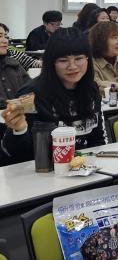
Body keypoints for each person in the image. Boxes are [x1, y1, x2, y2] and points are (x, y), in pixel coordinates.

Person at [1, 29, 107, 165]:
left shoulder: (91, 89)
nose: (72, 66)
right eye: (63, 60)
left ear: (88, 59)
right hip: (39, 172)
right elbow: (20, 155)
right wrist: (20, 129)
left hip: (82, 170)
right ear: (51, 62)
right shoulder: (31, 94)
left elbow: (98, 139)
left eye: (79, 58)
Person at [0, 24, 31, 163]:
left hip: (20, 127)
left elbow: (31, 94)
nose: (5, 40)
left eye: (6, 36)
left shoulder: (14, 65)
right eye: (0, 37)